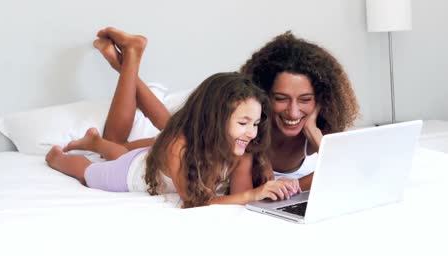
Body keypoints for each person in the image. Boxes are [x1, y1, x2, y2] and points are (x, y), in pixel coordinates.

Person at [45, 27, 301, 208]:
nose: (251, 132)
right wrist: (252, 194)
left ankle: (96, 142)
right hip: (136, 172)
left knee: (119, 151)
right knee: (90, 174)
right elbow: (193, 202)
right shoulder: (180, 145)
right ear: (215, 119)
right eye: (243, 123)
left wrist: (274, 189)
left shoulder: (243, 150)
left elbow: (240, 197)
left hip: (150, 162)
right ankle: (58, 157)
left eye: (255, 124)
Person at [231, 31, 359, 194]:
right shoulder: (248, 131)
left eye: (305, 100)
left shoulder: (325, 129)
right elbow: (242, 197)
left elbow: (347, 172)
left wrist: (314, 134)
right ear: (263, 95)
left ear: (321, 100)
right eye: (281, 98)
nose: (293, 113)